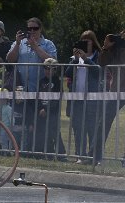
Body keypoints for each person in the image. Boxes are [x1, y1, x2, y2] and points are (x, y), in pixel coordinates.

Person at [6, 17, 57, 151]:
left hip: (41, 90)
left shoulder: (48, 44)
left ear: (40, 29)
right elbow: (10, 59)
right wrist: (17, 43)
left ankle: (39, 150)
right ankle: (20, 148)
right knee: (20, 121)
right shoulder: (20, 43)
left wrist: (35, 46)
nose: (32, 31)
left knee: (38, 122)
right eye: (29, 29)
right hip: (21, 89)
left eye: (35, 28)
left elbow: (52, 61)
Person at [65, 36, 102, 164]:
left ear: (93, 42)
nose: (85, 44)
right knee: (78, 129)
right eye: (83, 41)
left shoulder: (98, 56)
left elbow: (99, 72)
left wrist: (86, 59)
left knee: (92, 129)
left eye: (88, 41)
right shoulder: (74, 59)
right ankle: (81, 156)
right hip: (77, 100)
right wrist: (76, 59)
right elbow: (67, 73)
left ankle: (94, 157)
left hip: (92, 99)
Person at [98, 32, 125, 164]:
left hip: (120, 90)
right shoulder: (113, 49)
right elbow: (102, 62)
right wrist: (105, 47)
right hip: (116, 91)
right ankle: (95, 155)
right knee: (104, 121)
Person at [32, 58, 66, 157]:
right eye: (45, 68)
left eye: (50, 68)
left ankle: (61, 154)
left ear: (55, 70)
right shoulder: (41, 81)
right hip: (41, 112)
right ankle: (48, 153)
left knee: (54, 132)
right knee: (43, 132)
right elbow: (37, 97)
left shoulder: (58, 83)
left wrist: (47, 109)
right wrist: (40, 108)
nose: (47, 70)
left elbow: (57, 99)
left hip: (53, 113)